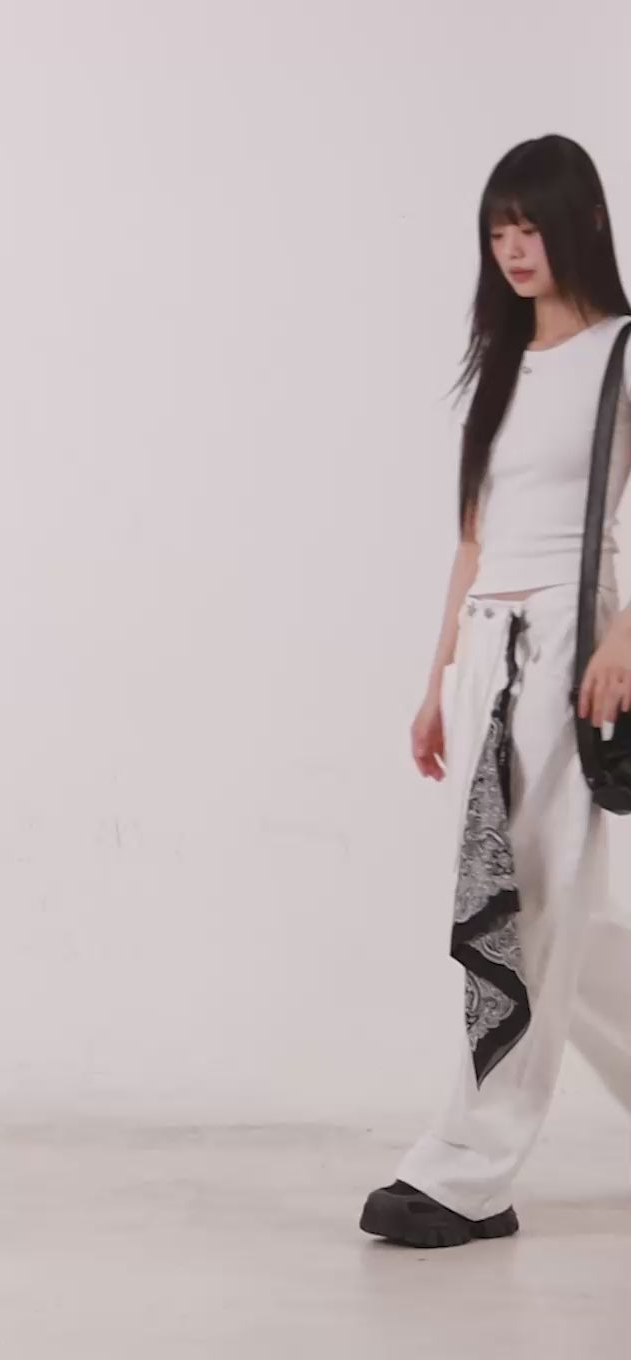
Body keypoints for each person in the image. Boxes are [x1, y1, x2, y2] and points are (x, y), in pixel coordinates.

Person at [360, 134, 631, 1249]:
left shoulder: (622, 353)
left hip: (571, 645)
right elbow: (471, 542)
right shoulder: (500, 367)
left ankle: (468, 1171)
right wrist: (437, 683)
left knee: (519, 909)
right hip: (486, 652)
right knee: (548, 906)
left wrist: (623, 637)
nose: (514, 250)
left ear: (581, 224)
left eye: (530, 227)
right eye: (497, 231)